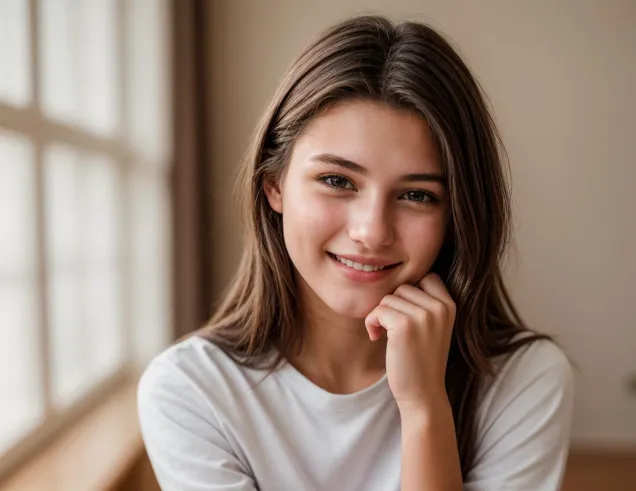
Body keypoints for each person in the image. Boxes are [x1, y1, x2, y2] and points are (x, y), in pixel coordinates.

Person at [137, 14, 574, 491]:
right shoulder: (189, 391)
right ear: (274, 185)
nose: (371, 231)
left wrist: (425, 406)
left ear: (456, 214)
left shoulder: (523, 381)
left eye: (417, 195)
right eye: (337, 181)